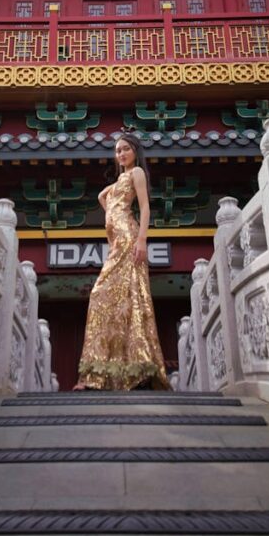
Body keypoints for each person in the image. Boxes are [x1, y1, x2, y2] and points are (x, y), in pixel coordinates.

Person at [74, 131, 170, 391]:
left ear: (135, 151)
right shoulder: (121, 178)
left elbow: (145, 207)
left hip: (129, 240)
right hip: (117, 243)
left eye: (125, 149)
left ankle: (132, 369)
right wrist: (110, 195)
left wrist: (141, 240)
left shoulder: (137, 173)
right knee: (116, 301)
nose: (121, 154)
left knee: (108, 295)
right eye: (117, 151)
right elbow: (102, 198)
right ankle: (106, 373)